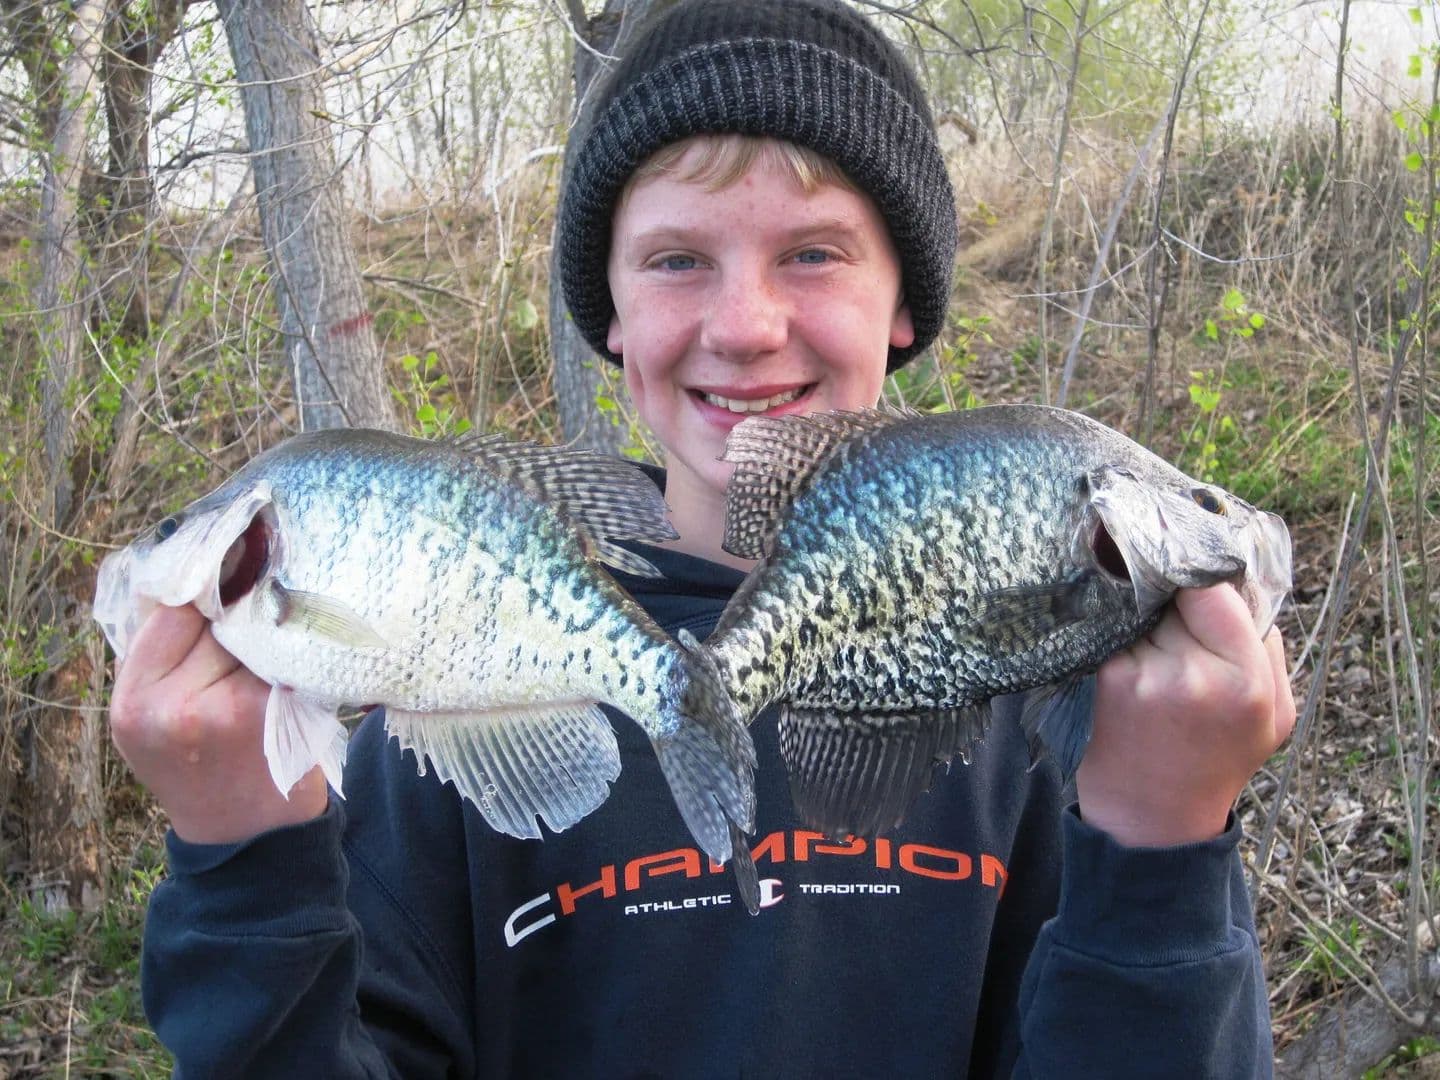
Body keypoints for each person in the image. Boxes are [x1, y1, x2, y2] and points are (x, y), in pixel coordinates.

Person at [108, 0, 1296, 1075]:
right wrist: (245, 857)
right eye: (678, 260)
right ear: (612, 321)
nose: (744, 325)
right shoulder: (443, 708)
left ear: (904, 306)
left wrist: (1162, 840)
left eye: (814, 254)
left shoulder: (1067, 711)